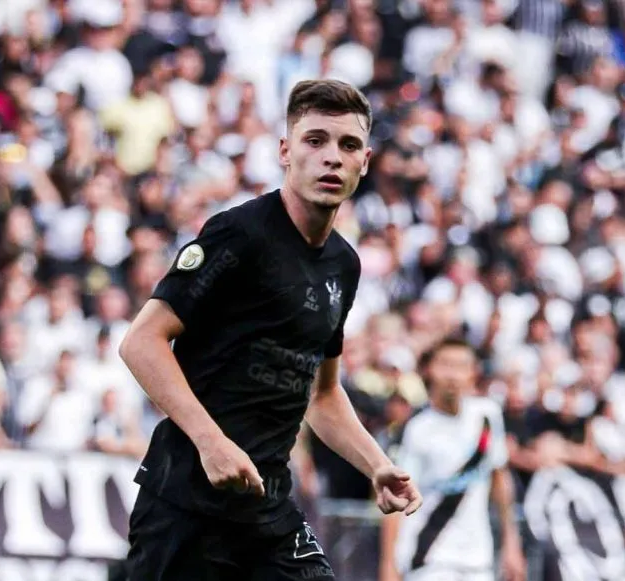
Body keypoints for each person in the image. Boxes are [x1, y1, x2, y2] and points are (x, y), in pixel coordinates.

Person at [118, 79, 423, 581]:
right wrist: (211, 443)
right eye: (315, 140)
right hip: (186, 505)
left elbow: (321, 395)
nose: (332, 157)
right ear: (285, 151)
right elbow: (142, 341)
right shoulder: (240, 234)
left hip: (268, 509)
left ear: (364, 162)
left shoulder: (344, 264)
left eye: (348, 145)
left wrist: (376, 464)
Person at [379, 339, 527, 581]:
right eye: (446, 364)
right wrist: (388, 566)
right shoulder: (416, 428)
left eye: (461, 366)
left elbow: (500, 480)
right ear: (430, 369)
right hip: (430, 557)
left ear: (473, 372)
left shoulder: (487, 416)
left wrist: (512, 544)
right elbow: (395, 499)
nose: (453, 375)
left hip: (478, 560)